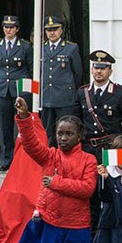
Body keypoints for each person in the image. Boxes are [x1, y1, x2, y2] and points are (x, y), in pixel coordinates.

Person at [11, 97, 96, 243]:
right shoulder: (49, 156)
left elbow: (87, 189)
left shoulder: (88, 160)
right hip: (52, 222)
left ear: (79, 136)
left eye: (69, 134)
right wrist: (25, 118)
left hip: (77, 225)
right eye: (60, 133)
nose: (63, 138)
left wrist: (56, 182)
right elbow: (30, 144)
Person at [76, 50, 122, 229]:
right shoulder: (83, 93)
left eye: (103, 68)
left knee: (114, 187)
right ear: (91, 69)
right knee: (91, 190)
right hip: (89, 149)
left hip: (112, 149)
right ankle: (94, 232)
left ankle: (114, 228)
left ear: (110, 71)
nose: (99, 71)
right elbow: (76, 120)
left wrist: (116, 138)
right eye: (96, 67)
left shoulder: (120, 93)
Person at [40, 15, 82, 147]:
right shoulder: (40, 48)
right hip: (46, 96)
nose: (52, 32)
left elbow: (78, 74)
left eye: (55, 29)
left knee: (67, 130)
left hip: (65, 97)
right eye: (48, 29)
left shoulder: (71, 48)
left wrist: (71, 91)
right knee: (47, 132)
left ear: (61, 30)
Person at [0, 15, 34, 170]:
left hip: (21, 90)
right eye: (6, 27)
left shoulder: (25, 46)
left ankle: (22, 160)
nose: (8, 30)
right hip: (2, 90)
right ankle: (7, 160)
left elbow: (32, 69)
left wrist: (31, 92)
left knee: (23, 126)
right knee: (6, 127)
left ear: (17, 29)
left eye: (12, 27)